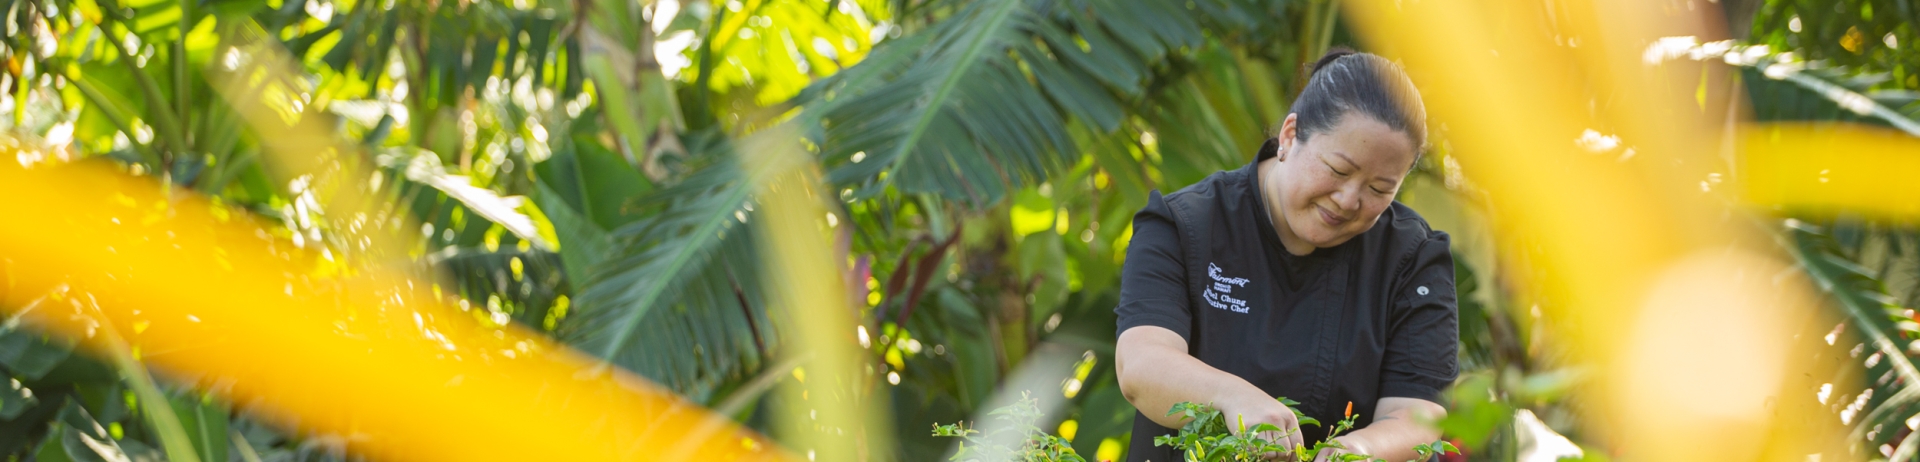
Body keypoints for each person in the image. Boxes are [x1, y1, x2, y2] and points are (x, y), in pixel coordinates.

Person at [1113, 48, 1457, 462]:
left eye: (1379, 189)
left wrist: (1358, 449)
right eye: (1338, 170)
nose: (1350, 200)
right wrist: (1231, 397)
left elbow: (1418, 416)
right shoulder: (1183, 225)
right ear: (1290, 136)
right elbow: (1141, 363)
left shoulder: (1413, 258)